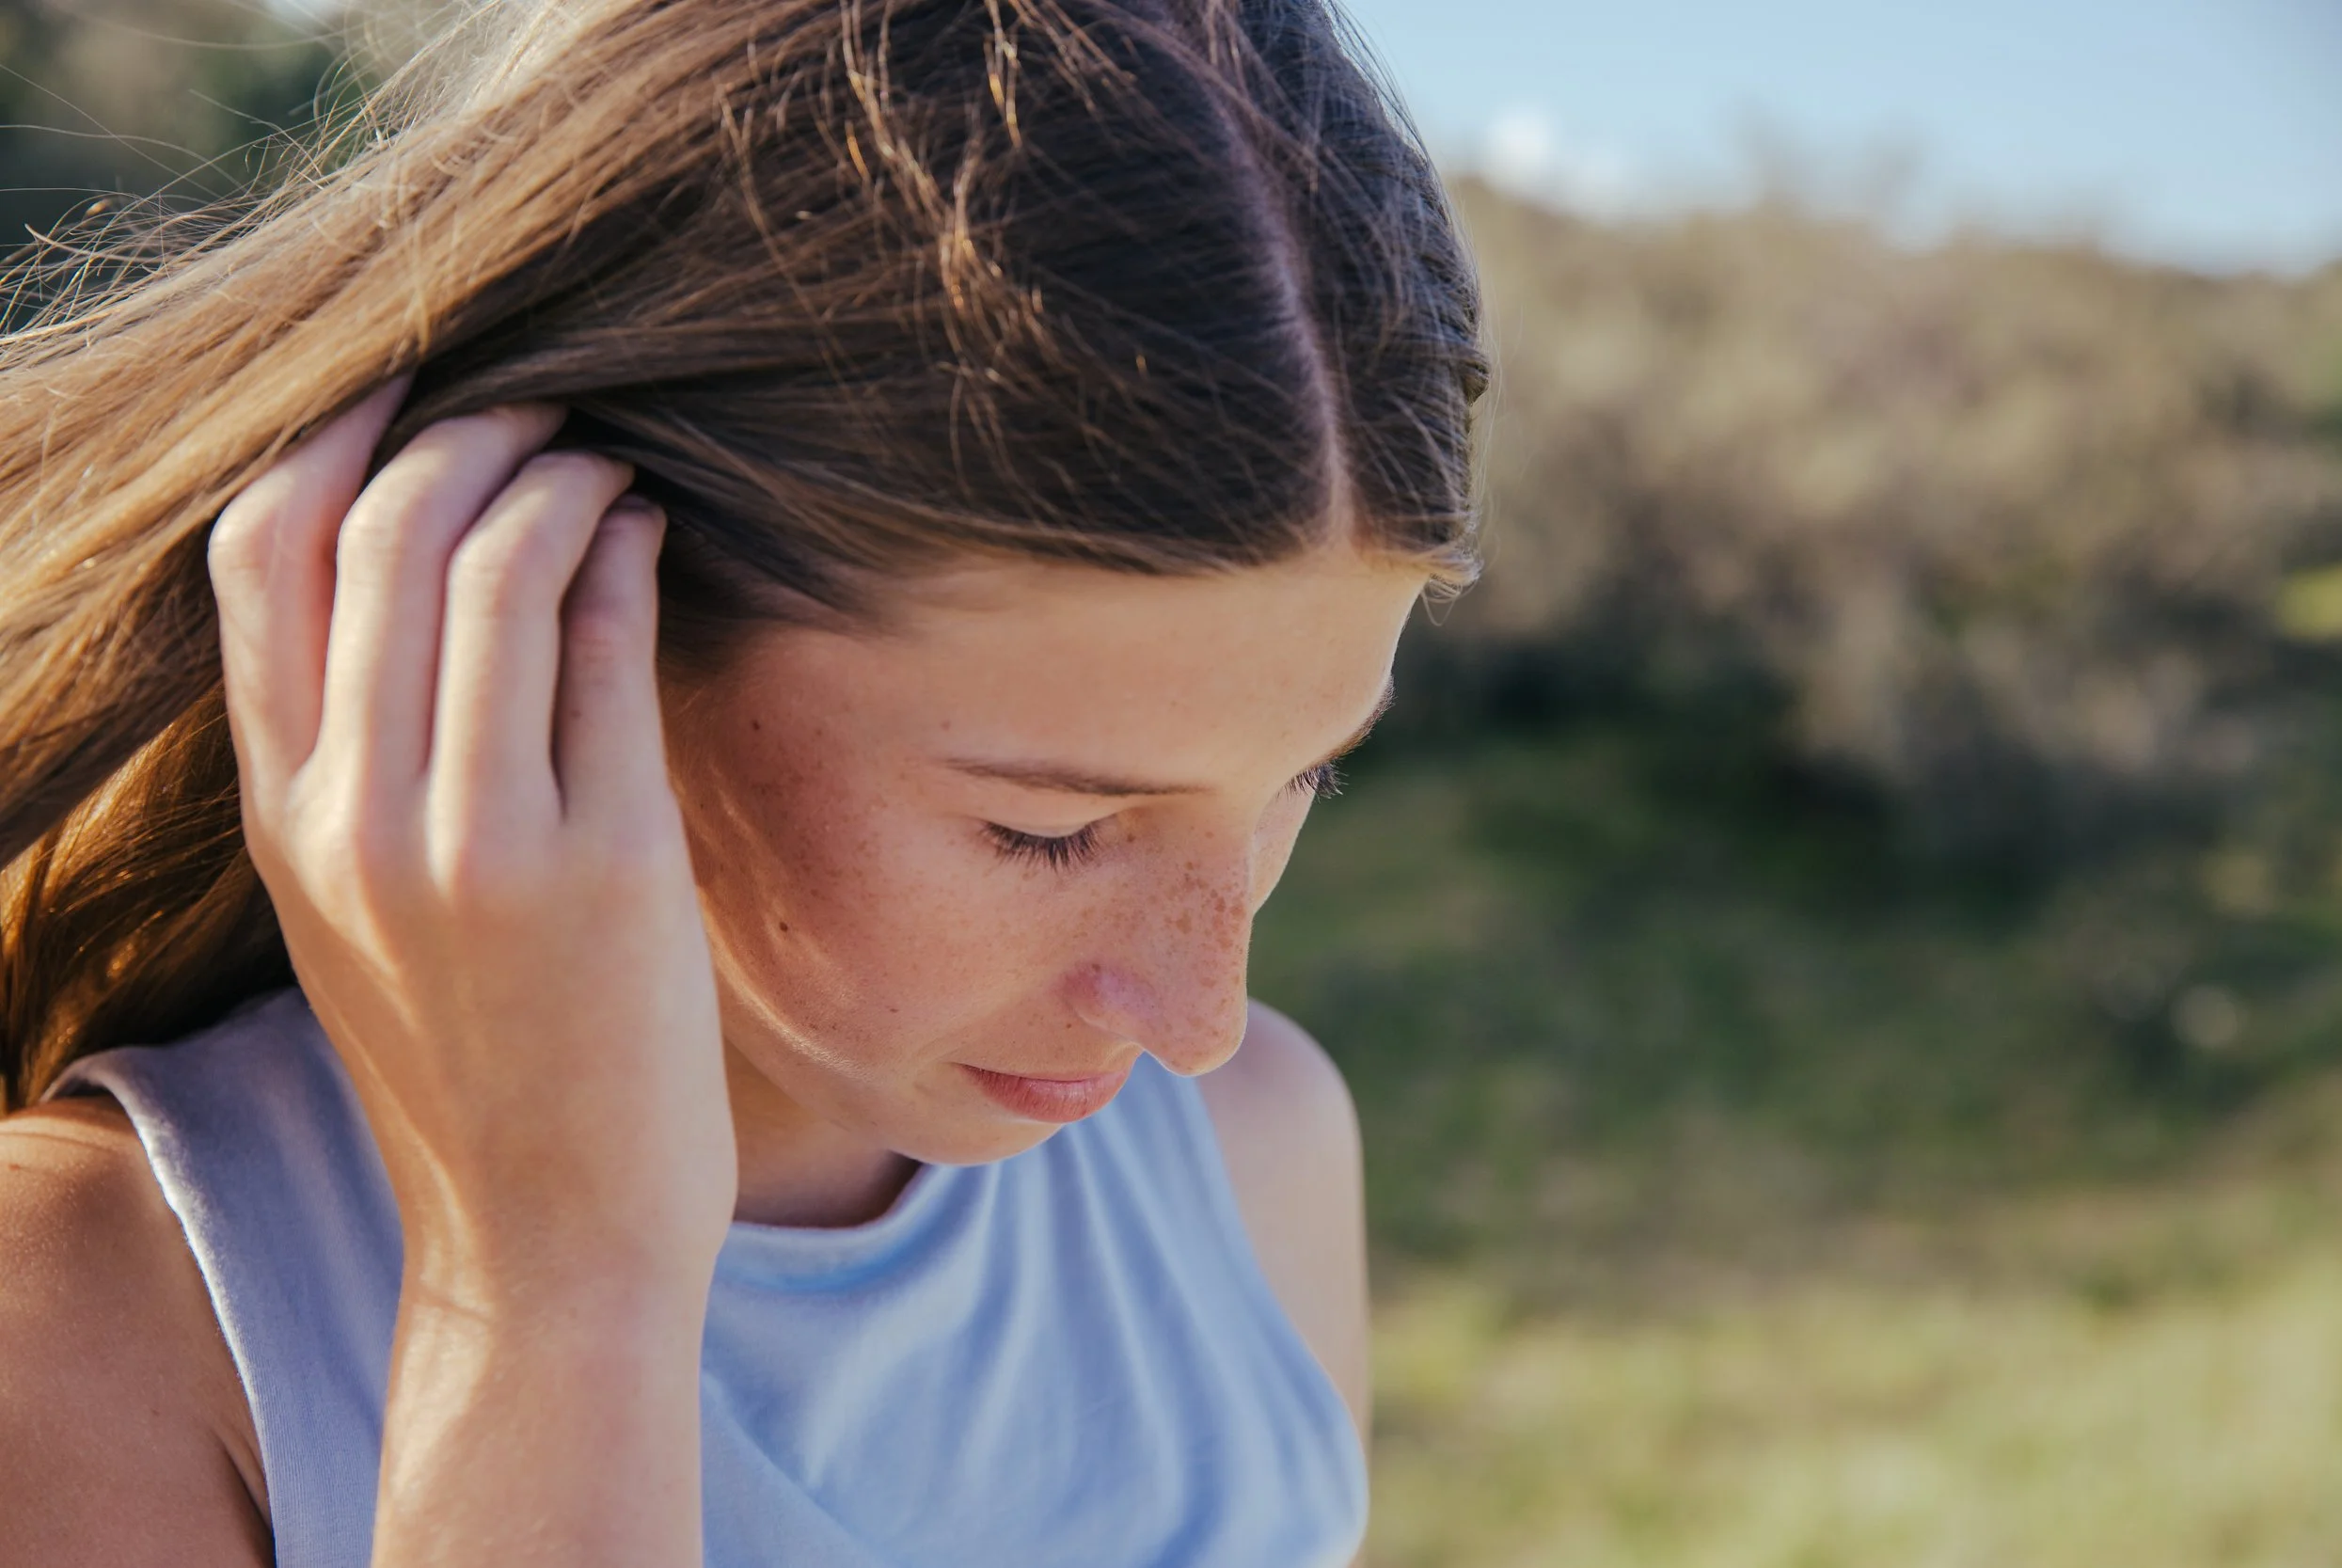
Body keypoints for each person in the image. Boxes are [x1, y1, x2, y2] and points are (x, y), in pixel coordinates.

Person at [0, 0, 1484, 1561]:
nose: (1203, 1014)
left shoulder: (1256, 1157)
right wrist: (546, 1295)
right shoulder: (96, 1329)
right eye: (1043, 830)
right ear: (527, 611)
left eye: (1300, 778)